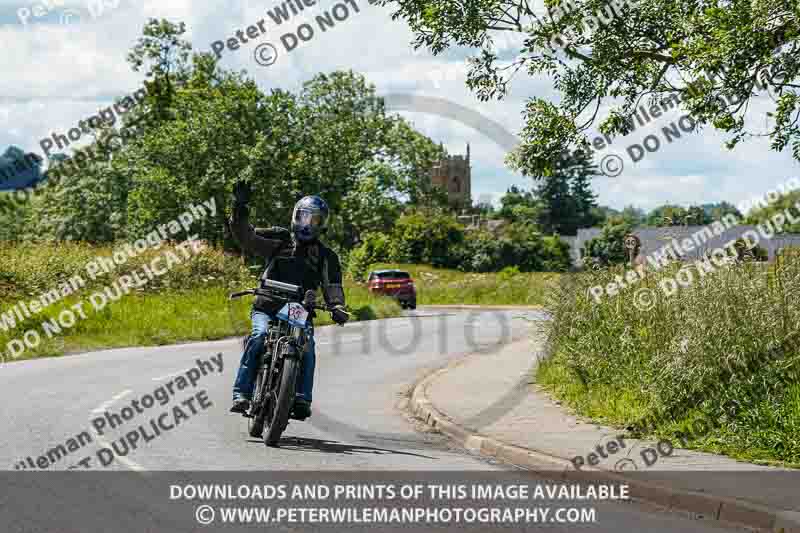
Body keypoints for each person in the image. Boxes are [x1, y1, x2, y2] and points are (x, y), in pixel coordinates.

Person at [228, 182, 349, 419]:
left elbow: (333, 287)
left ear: (322, 224)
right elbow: (246, 236)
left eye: (314, 220)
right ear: (295, 216)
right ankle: (240, 393)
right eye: (304, 217)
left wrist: (337, 307)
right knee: (259, 336)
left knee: (307, 345)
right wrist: (239, 207)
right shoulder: (279, 239)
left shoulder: (326, 257)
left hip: (298, 309)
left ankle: (302, 398)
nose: (307, 224)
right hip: (267, 303)